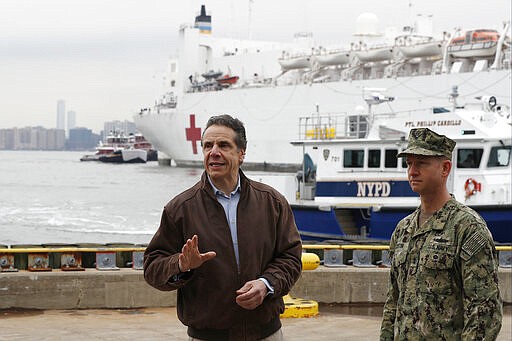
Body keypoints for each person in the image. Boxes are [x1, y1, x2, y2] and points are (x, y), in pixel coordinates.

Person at [144, 114, 302, 341]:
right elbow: (151, 268)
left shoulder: (272, 202)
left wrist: (266, 284)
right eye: (208, 146)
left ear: (241, 153)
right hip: (207, 336)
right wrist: (181, 264)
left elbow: (291, 257)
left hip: (266, 334)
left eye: (223, 145)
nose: (214, 152)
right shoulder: (180, 208)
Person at [380, 128, 502, 340]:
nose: (412, 171)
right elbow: (393, 302)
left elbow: (484, 312)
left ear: (445, 168)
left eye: (421, 163)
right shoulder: (403, 230)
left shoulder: (467, 228)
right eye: (409, 163)